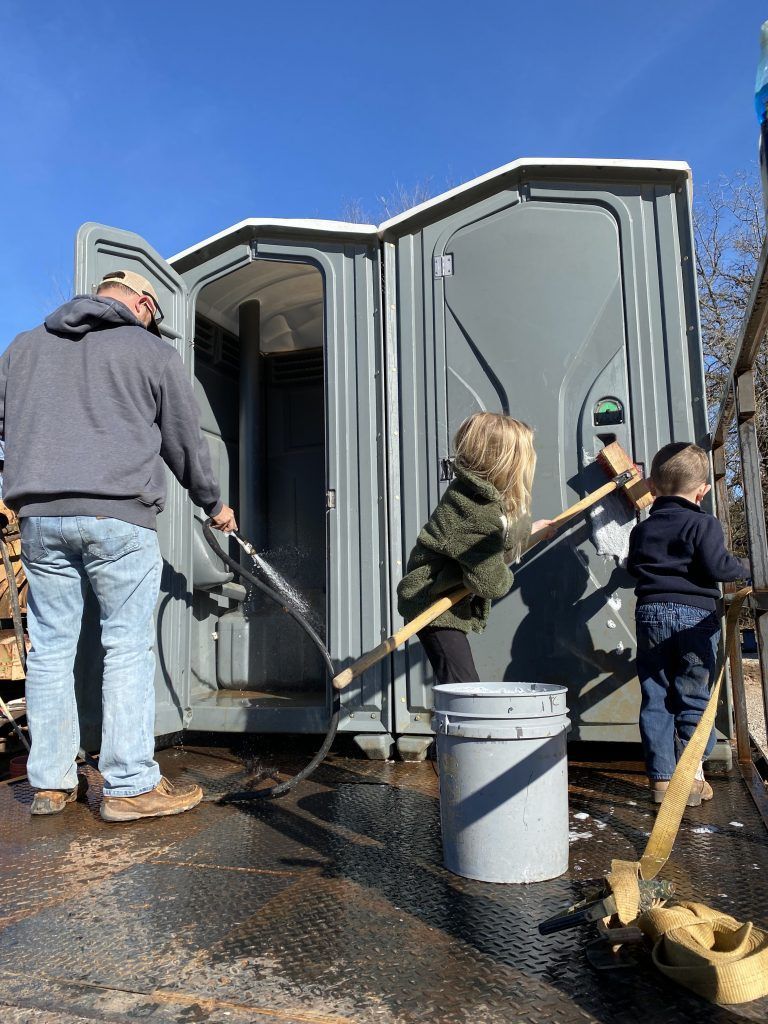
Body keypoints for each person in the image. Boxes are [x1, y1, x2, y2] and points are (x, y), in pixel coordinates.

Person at [0, 269, 237, 821]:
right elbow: (185, 442)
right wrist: (213, 505)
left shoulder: (24, 348)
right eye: (153, 315)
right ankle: (130, 786)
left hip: (40, 521)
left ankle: (51, 784)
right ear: (142, 303)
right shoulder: (148, 351)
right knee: (126, 647)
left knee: (52, 648)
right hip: (119, 520)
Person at [627, 442, 749, 806]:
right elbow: (718, 568)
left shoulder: (643, 529)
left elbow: (633, 569)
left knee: (657, 695)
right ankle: (689, 777)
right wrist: (746, 567)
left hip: (649, 614)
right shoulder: (703, 523)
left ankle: (663, 780)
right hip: (695, 617)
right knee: (693, 698)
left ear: (651, 485)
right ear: (703, 490)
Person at [397, 412, 553, 683]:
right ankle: (457, 726)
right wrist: (503, 573)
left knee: (460, 686)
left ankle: (457, 722)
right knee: (463, 688)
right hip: (431, 605)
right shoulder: (476, 512)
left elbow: (493, 542)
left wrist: (533, 531)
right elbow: (490, 583)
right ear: (503, 463)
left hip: (442, 598)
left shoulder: (474, 494)